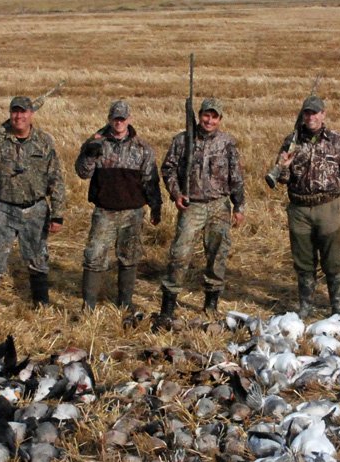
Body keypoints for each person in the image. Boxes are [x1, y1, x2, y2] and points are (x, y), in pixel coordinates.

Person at [0, 96, 66, 325]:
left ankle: (41, 307)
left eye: (23, 112)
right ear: (10, 114)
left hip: (36, 209)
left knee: (38, 259)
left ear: (31, 114)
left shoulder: (44, 141)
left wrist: (57, 214)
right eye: (15, 112)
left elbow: (56, 179)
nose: (19, 116)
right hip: (4, 208)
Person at [158, 97, 245, 325]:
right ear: (200, 115)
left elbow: (235, 177)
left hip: (219, 205)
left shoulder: (227, 143)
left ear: (220, 119)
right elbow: (168, 169)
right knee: (180, 253)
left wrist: (239, 206)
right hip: (192, 205)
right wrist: (176, 194)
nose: (209, 120)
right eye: (206, 115)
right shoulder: (183, 140)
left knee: (218, 255)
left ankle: (211, 305)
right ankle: (168, 306)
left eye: (214, 116)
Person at [270, 95, 340, 319]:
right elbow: (281, 180)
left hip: (328, 207)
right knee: (303, 261)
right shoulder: (292, 140)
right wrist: (284, 166)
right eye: (307, 113)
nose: (311, 117)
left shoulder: (337, 141)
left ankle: (337, 307)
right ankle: (306, 306)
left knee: (333, 261)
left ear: (323, 114)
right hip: (299, 208)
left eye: (315, 112)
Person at [74, 100, 162, 312]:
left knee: (129, 257)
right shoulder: (97, 143)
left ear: (129, 120)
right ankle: (89, 307)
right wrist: (89, 152)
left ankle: (125, 303)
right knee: (94, 256)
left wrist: (155, 206)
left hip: (133, 213)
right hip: (104, 211)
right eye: (115, 118)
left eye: (122, 118)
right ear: (110, 119)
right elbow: (82, 173)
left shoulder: (142, 149)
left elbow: (151, 180)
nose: (119, 122)